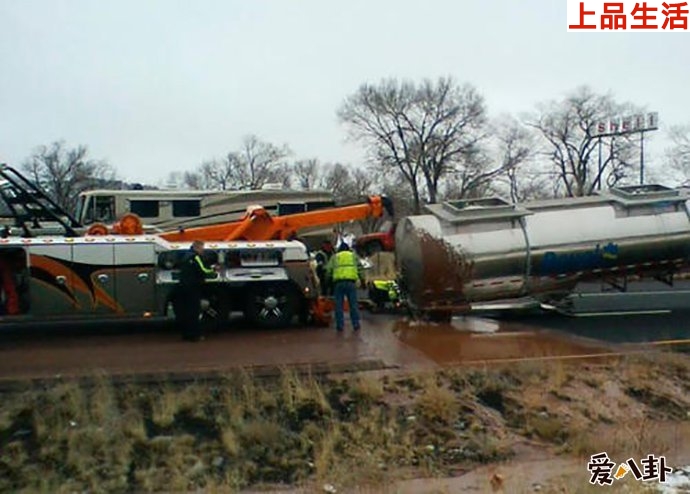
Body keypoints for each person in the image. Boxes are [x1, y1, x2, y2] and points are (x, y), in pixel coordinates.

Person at [173, 240, 217, 342]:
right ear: (197, 247)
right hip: (193, 287)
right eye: (202, 248)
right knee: (194, 312)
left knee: (186, 311)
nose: (203, 251)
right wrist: (213, 269)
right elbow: (203, 269)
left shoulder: (185, 256)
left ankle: (186, 334)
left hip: (183, 286)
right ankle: (194, 335)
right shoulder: (195, 257)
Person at [326, 241, 365, 333]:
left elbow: (328, 270)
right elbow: (360, 269)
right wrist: (363, 281)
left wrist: (327, 281)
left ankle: (340, 326)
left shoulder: (335, 257)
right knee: (353, 305)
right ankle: (356, 324)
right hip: (351, 283)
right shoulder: (353, 256)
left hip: (338, 284)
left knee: (338, 305)